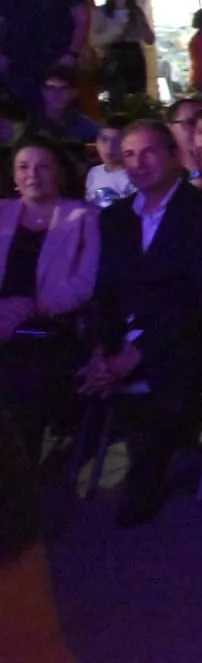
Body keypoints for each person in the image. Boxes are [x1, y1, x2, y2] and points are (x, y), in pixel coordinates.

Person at [78, 120, 202, 526]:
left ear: (172, 157)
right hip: (122, 334)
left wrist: (137, 352)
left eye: (148, 152)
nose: (138, 163)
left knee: (170, 365)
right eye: (129, 154)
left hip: (182, 333)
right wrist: (102, 351)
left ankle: (146, 471)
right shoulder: (115, 220)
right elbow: (105, 291)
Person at [0, 137, 100, 461]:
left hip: (51, 326)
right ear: (14, 175)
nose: (33, 174)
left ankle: (18, 474)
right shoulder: (2, 213)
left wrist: (31, 305)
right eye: (24, 167)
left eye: (43, 166)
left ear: (58, 172)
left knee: (20, 367)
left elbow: (86, 281)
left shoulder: (84, 217)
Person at [0, 0, 89, 118]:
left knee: (59, 117)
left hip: (55, 61)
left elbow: (82, 16)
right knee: (20, 117)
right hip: (18, 64)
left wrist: (71, 54)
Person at [89, 0, 154, 105]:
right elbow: (93, 40)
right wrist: (116, 30)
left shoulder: (136, 11)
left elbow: (149, 39)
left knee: (137, 98)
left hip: (135, 56)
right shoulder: (101, 12)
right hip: (114, 58)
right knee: (117, 99)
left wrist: (138, 21)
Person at [32, 67, 97, 145]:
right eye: (51, 88)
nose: (56, 93)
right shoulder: (29, 123)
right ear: (43, 91)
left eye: (64, 89)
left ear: (74, 93)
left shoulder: (85, 126)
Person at [86, 115, 134, 206]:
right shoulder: (94, 172)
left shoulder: (135, 175)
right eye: (104, 140)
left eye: (118, 141)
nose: (109, 147)